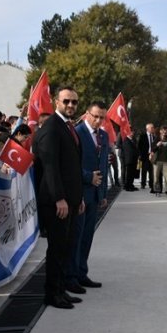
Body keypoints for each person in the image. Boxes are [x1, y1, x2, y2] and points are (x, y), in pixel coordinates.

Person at [31, 87, 84, 309]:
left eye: (74, 102)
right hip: (56, 203)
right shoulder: (52, 128)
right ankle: (53, 294)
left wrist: (77, 198)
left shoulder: (66, 126)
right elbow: (50, 167)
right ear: (56, 102)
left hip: (70, 200)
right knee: (56, 249)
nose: (71, 105)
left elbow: (71, 167)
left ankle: (61, 289)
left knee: (65, 248)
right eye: (66, 101)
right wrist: (59, 198)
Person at [65, 101, 109, 294]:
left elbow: (104, 166)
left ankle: (82, 273)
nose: (98, 120)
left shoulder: (104, 135)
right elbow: (71, 165)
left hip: (95, 194)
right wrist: (87, 177)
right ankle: (71, 277)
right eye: (95, 116)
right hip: (80, 193)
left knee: (87, 237)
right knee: (76, 237)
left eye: (102, 117)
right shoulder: (77, 133)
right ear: (86, 114)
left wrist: (103, 193)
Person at [152, 126, 167, 195]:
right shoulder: (157, 139)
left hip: (165, 161)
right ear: (160, 131)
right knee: (156, 176)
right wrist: (157, 145)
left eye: (166, 131)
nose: (164, 132)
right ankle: (157, 190)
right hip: (157, 161)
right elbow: (152, 149)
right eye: (163, 130)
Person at [137, 124, 156, 191]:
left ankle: (151, 184)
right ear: (147, 128)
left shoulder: (154, 136)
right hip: (145, 156)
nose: (153, 128)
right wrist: (140, 155)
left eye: (153, 127)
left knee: (151, 171)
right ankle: (143, 184)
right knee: (144, 171)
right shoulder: (142, 136)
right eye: (152, 127)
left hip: (152, 156)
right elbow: (139, 146)